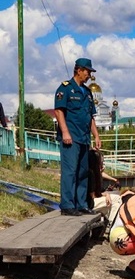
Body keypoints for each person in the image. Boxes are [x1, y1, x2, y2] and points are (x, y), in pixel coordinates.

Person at [54, 57, 101, 216]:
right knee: (70, 171)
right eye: (88, 71)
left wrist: (96, 136)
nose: (89, 75)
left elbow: (90, 116)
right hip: (71, 138)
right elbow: (59, 111)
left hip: (84, 138)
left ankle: (81, 204)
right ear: (79, 70)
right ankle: (67, 205)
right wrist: (65, 132)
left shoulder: (87, 93)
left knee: (83, 172)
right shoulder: (65, 88)